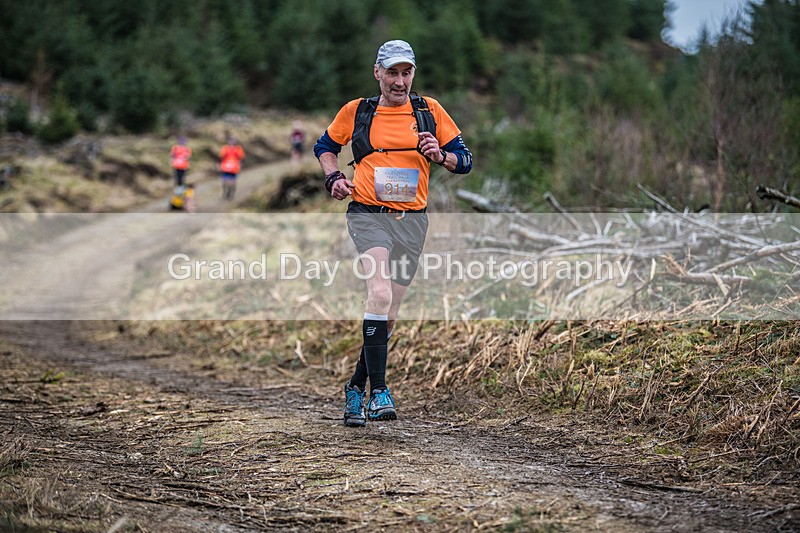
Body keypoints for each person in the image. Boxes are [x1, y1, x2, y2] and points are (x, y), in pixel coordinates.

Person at [314, 39, 473, 427]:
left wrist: (440, 156)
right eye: (392, 73)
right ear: (377, 73)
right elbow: (325, 146)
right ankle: (379, 391)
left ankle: (355, 387)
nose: (399, 82)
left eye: (406, 73)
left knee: (388, 315)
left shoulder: (429, 111)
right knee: (380, 292)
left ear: (413, 74)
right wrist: (334, 176)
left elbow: (464, 161)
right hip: (368, 213)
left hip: (413, 220)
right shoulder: (358, 111)